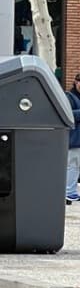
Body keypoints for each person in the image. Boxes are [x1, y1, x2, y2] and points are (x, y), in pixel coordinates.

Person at [66, 74, 80, 205]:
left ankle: (72, 192)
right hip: (74, 139)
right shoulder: (69, 97)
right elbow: (68, 114)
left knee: (76, 166)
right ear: (76, 82)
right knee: (72, 166)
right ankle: (69, 193)